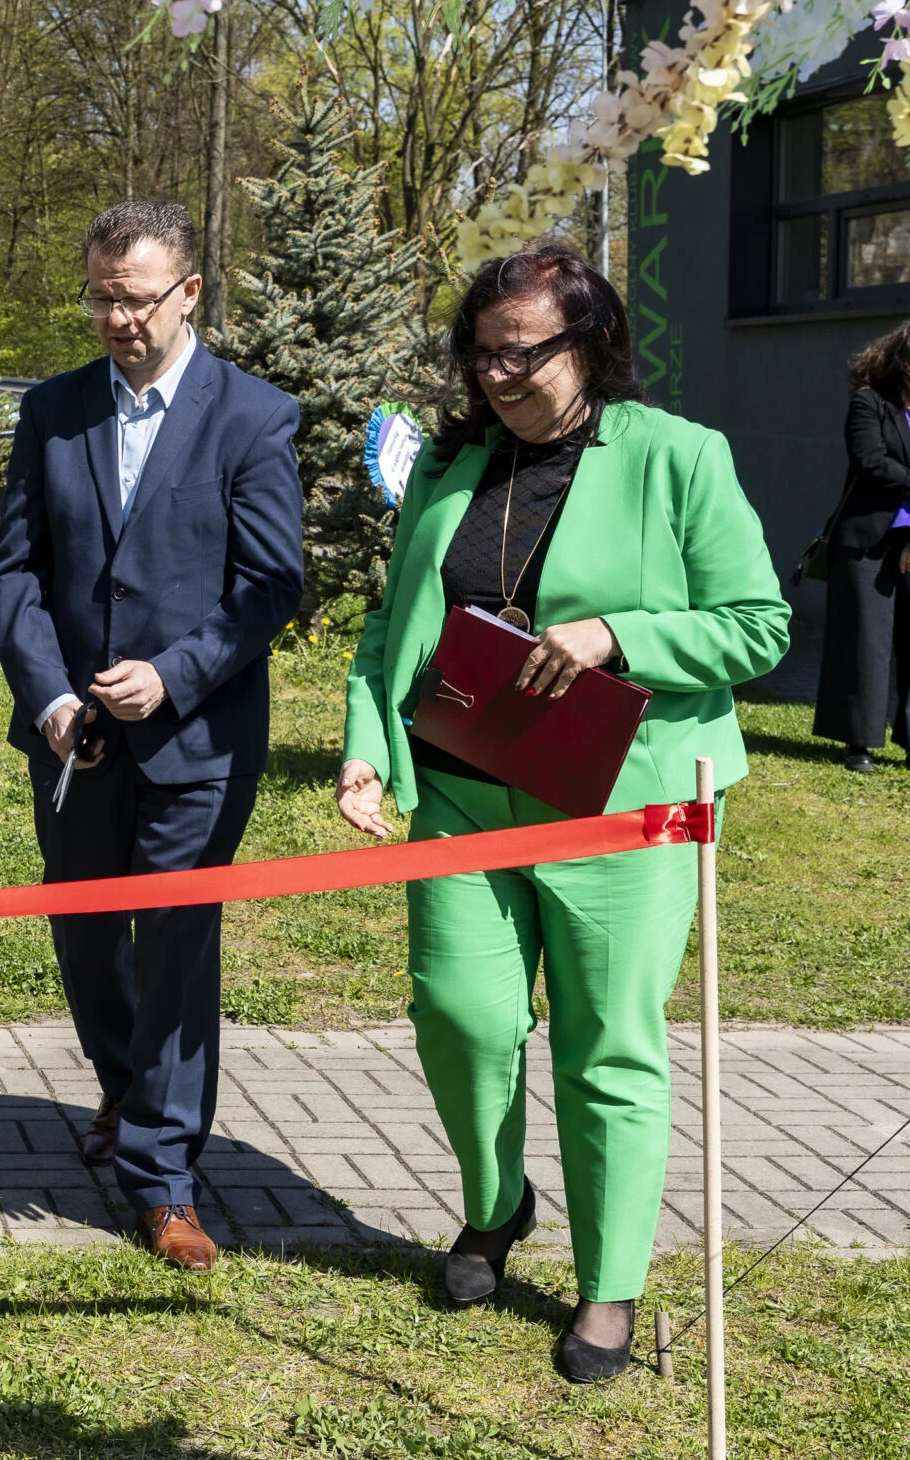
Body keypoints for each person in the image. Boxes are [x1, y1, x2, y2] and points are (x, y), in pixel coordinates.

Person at [336, 243, 788, 1383]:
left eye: (520, 352)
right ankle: (496, 1205)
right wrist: (364, 747)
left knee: (607, 1050)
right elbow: (394, 630)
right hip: (458, 795)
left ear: (587, 345)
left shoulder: (680, 458)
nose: (494, 374)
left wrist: (619, 634)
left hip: (622, 810)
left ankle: (608, 1288)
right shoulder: (450, 465)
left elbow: (757, 625)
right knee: (460, 1015)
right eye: (479, 353)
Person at [0, 198, 305, 1273]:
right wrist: (50, 696)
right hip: (74, 741)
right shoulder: (52, 411)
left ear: (189, 293)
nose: (117, 319)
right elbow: (17, 572)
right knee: (85, 939)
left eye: (136, 300)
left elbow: (271, 585)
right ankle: (125, 1094)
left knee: (172, 951)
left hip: (197, 745)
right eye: (101, 300)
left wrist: (171, 677)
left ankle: (164, 1178)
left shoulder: (252, 417)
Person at [810, 320, 910, 772]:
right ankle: (858, 743)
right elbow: (871, 461)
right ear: (901, 361)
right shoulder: (868, 403)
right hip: (868, 539)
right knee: (864, 643)